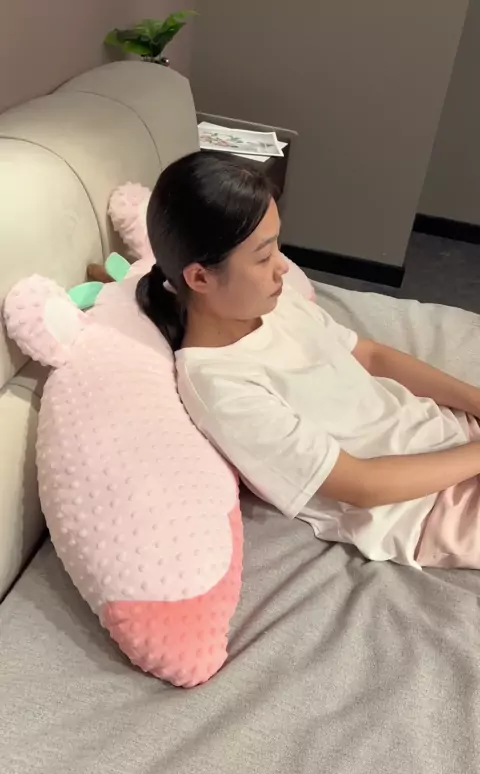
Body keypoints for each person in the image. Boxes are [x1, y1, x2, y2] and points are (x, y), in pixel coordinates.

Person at [136, 150, 480, 570]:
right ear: (200, 277)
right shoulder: (220, 387)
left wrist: (475, 402)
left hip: (450, 436)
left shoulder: (272, 303)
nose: (283, 267)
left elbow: (372, 356)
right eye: (263, 257)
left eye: (276, 246)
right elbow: (363, 486)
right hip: (425, 508)